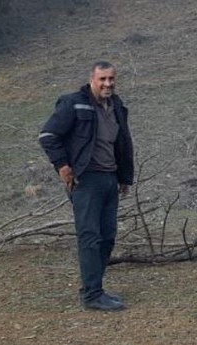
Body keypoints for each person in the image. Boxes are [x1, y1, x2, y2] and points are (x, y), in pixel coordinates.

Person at [39, 61, 135, 311]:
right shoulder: (73, 103)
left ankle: (95, 288)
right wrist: (62, 166)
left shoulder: (117, 106)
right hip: (85, 180)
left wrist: (125, 177)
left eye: (111, 79)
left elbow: (123, 142)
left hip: (109, 178)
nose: (107, 84)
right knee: (90, 236)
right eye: (102, 79)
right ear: (92, 79)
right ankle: (92, 295)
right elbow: (48, 136)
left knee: (108, 236)